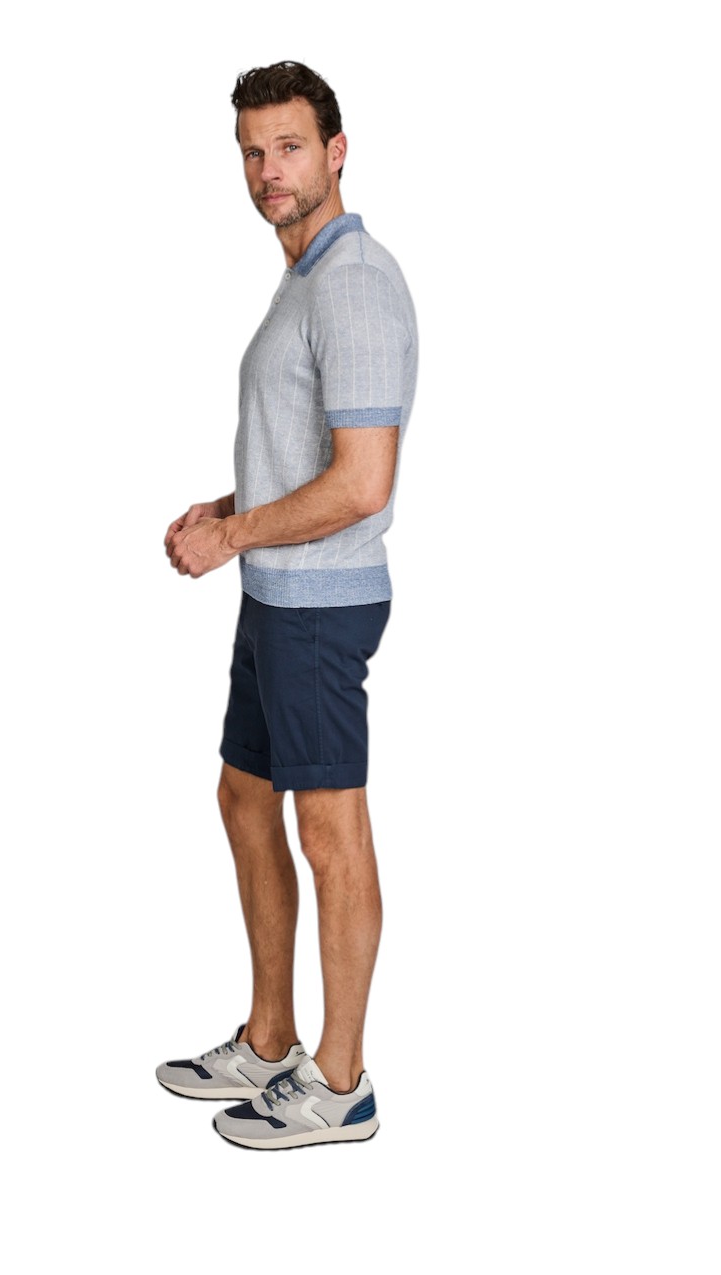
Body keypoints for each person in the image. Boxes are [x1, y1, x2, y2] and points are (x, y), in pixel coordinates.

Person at [156, 61, 417, 1150]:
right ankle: (270, 1039)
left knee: (329, 830)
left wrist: (233, 536)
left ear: (337, 151)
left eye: (290, 147)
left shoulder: (353, 283)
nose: (269, 170)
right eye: (253, 152)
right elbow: (308, 454)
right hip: (275, 593)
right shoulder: (303, 277)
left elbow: (362, 483)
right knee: (242, 796)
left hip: (319, 605)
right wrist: (230, 507)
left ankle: (340, 1083)